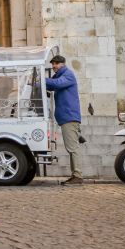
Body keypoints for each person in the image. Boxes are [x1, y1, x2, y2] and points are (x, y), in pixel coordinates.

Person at [45, 54, 83, 185]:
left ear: (62, 64)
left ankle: (77, 175)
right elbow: (51, 85)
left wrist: (41, 78)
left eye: (56, 64)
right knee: (71, 147)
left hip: (69, 117)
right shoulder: (60, 75)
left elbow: (56, 84)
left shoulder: (68, 75)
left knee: (72, 148)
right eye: (52, 64)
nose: (53, 66)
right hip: (67, 117)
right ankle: (76, 175)